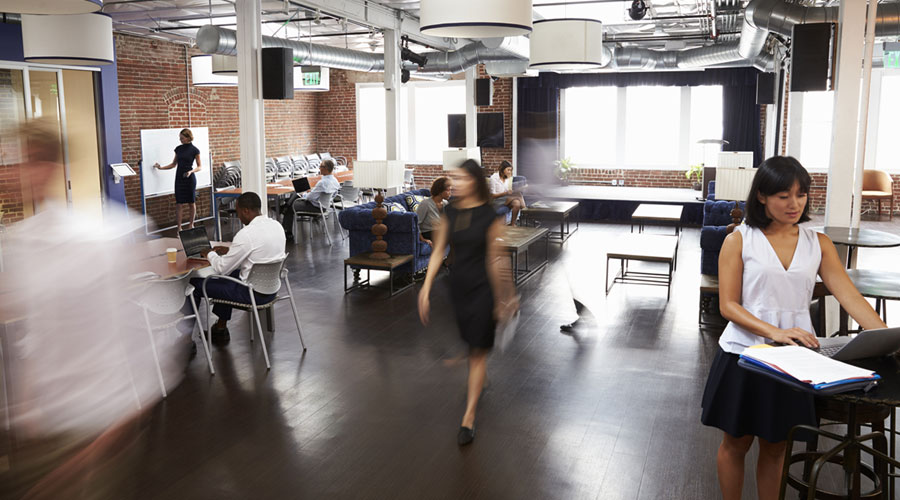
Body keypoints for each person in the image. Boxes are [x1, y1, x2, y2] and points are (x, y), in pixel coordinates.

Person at [700, 156, 887, 500]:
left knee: (776, 448)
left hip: (796, 363)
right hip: (744, 355)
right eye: (783, 196)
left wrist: (886, 337)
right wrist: (774, 332)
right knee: (736, 444)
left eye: (801, 194)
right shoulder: (740, 240)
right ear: (762, 196)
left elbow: (849, 297)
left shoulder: (819, 244)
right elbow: (728, 306)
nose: (794, 204)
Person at [418, 159, 518, 446]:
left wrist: (507, 297)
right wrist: (425, 288)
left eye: (461, 179)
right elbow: (439, 250)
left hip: (483, 290)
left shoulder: (488, 215)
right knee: (473, 343)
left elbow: (498, 259)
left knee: (476, 353)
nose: (456, 185)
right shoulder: (450, 211)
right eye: (454, 180)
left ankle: (469, 417)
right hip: (459, 289)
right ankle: (479, 372)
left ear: (474, 181)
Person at [190, 192, 287, 345]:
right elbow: (259, 251)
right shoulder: (276, 226)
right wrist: (231, 251)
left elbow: (221, 268)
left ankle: (185, 340)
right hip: (272, 289)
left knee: (194, 286)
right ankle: (220, 329)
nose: (238, 216)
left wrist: (209, 254)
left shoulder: (246, 234)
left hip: (251, 294)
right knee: (230, 277)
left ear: (246, 211)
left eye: (238, 211)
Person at [281, 159, 341, 242]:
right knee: (293, 198)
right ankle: (285, 208)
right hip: (325, 206)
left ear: (326, 168)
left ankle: (287, 232)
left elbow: (310, 198)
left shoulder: (322, 183)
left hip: (315, 207)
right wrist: (314, 193)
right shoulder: (335, 181)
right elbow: (334, 194)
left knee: (292, 205)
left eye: (321, 166)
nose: (319, 168)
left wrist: (304, 194)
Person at [154, 128, 202, 230]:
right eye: (180, 138)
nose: (180, 140)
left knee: (191, 202)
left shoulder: (195, 150)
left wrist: (191, 171)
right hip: (179, 178)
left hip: (189, 178)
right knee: (179, 203)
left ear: (188, 137)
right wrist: (161, 168)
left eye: (182, 138)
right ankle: (179, 228)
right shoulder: (178, 149)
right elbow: (173, 164)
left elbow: (199, 167)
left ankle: (191, 225)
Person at [416, 176, 451, 247]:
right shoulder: (425, 204)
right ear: (440, 190)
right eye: (448, 190)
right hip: (428, 233)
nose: (450, 193)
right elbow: (416, 224)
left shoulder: (445, 203)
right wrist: (422, 239)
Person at [489, 160, 525, 225]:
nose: (510, 172)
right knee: (517, 195)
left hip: (506, 198)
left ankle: (512, 224)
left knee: (517, 203)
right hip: (497, 200)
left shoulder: (507, 178)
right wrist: (505, 193)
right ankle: (523, 206)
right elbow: (492, 196)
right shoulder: (493, 178)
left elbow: (508, 191)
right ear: (502, 169)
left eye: (511, 170)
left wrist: (510, 191)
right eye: (508, 170)